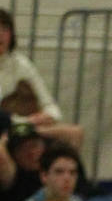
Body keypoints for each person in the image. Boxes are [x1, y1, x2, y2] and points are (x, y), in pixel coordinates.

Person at [0, 9, 84, 150]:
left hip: (22, 128)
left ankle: (58, 171)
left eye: (5, 28)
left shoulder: (21, 64)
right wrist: (26, 121)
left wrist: (44, 117)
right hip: (8, 127)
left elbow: (51, 108)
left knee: (75, 133)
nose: (0, 34)